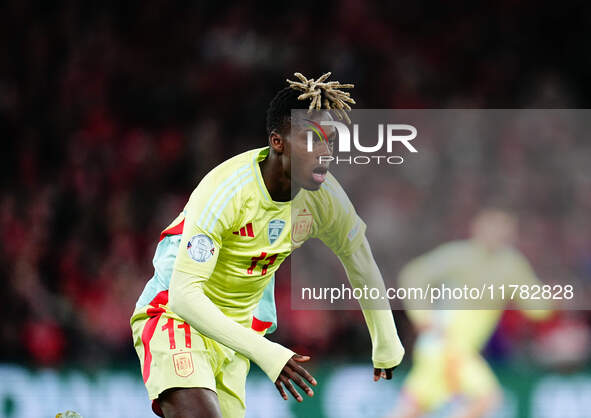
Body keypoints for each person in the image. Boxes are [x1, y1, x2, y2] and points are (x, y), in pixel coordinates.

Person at [130, 72, 405, 418]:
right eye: (311, 139)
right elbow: (184, 296)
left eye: (330, 141)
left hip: (235, 334)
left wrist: (386, 342)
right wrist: (269, 353)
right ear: (278, 142)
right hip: (177, 317)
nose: (324, 153)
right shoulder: (227, 191)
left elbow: (361, 264)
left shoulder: (327, 199)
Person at [390, 209, 552, 418]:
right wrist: (422, 316)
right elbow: (414, 275)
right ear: (477, 229)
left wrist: (549, 299)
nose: (496, 235)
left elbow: (537, 310)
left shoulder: (511, 266)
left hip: (446, 348)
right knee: (487, 398)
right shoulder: (459, 256)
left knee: (411, 411)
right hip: (447, 344)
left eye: (502, 230)